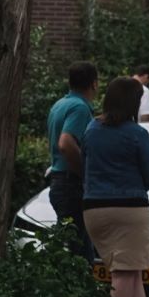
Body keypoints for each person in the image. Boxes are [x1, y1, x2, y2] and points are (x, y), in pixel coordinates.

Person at [81, 77, 149, 297]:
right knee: (124, 273)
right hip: (129, 208)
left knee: (131, 273)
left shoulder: (92, 128)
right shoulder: (136, 133)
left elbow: (85, 164)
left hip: (94, 208)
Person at [44, 61, 99, 260]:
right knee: (81, 255)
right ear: (94, 84)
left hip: (59, 181)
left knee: (69, 247)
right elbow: (66, 142)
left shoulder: (60, 104)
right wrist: (84, 174)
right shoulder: (80, 108)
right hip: (71, 184)